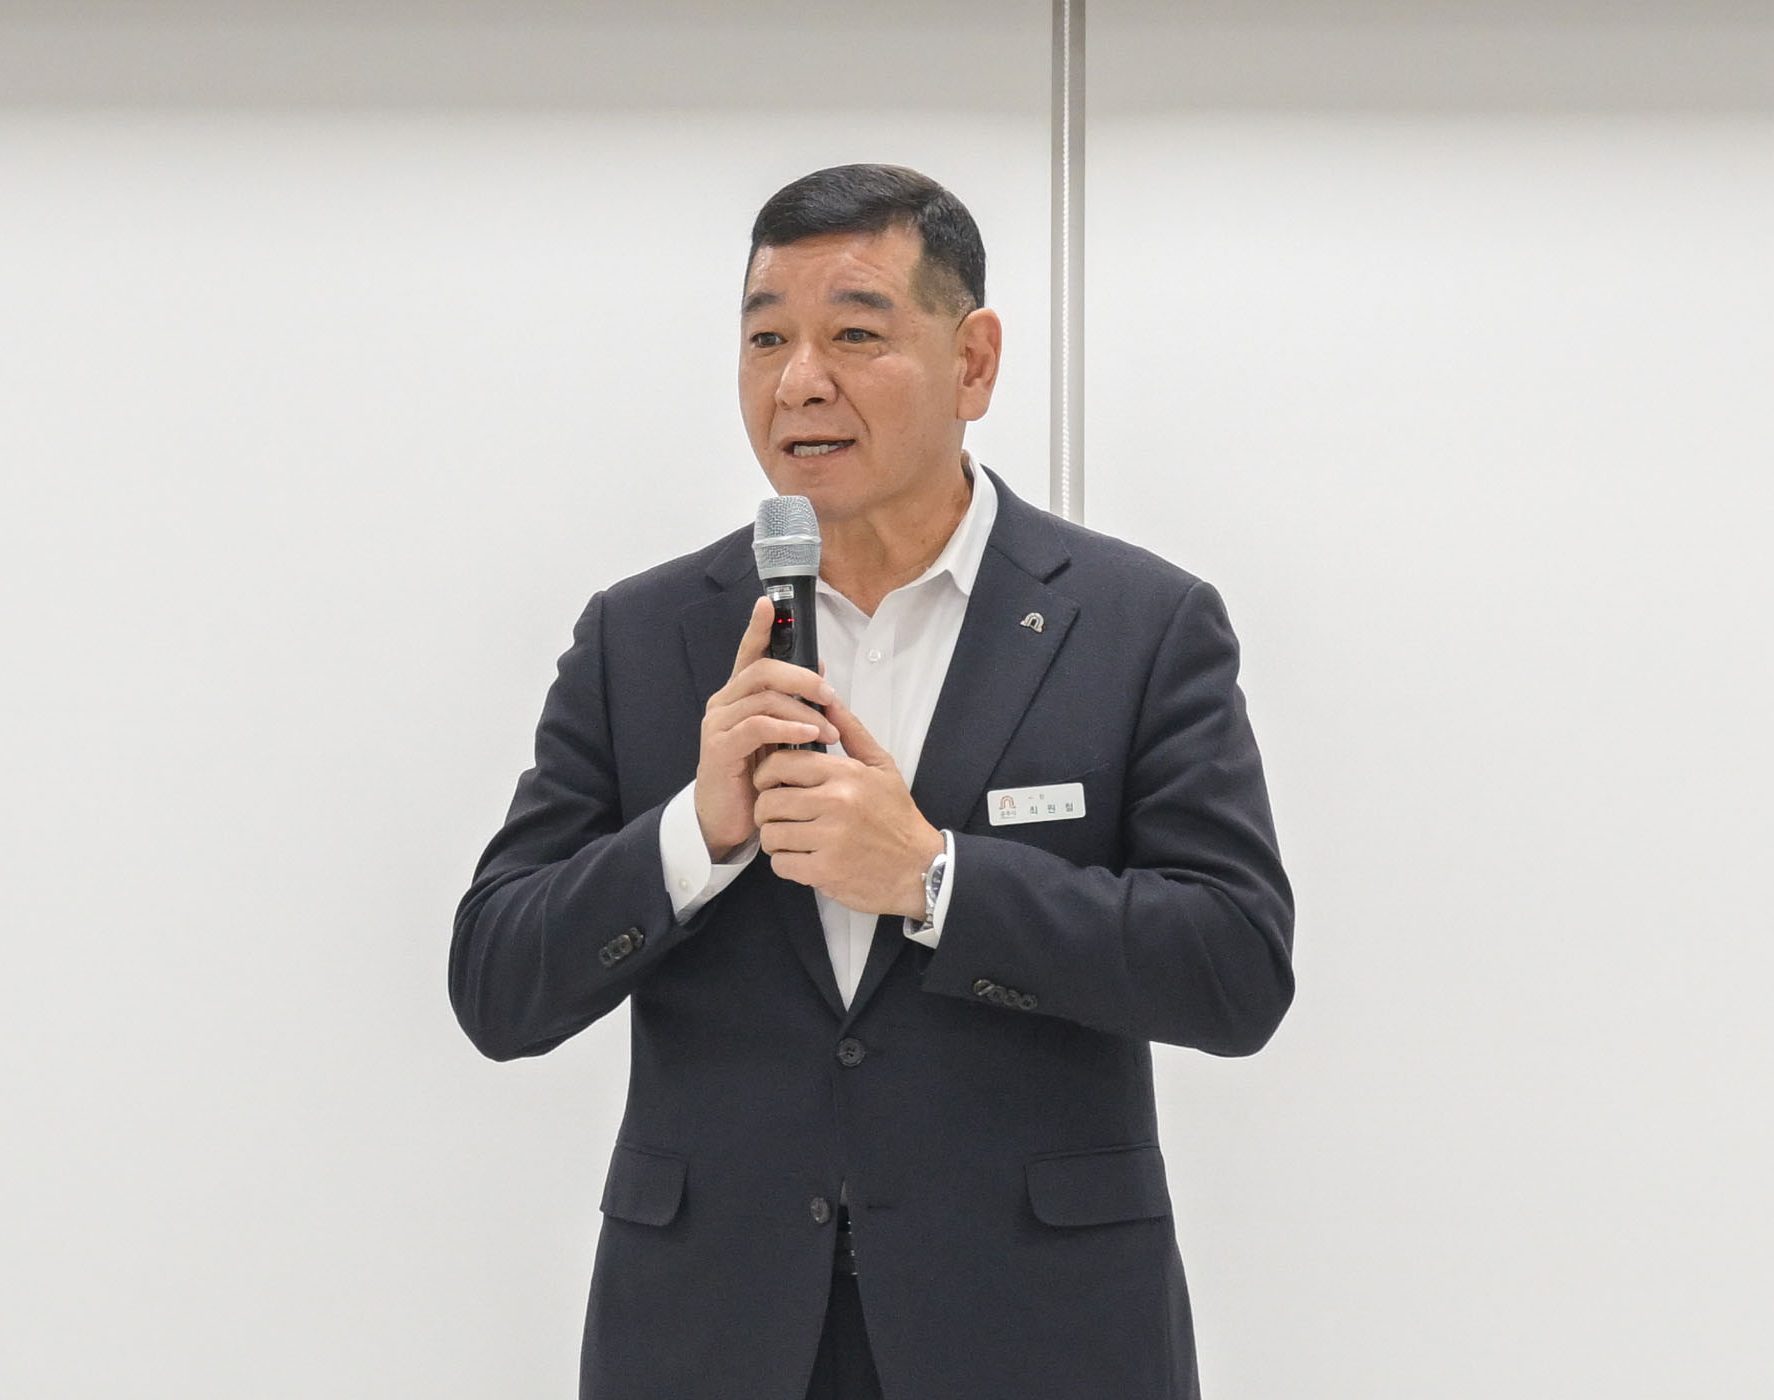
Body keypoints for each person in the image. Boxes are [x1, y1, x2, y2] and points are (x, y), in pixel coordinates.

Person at [450, 163, 1294, 1400]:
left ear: (973, 362)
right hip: (709, 1336)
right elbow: (495, 983)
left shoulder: (1136, 624)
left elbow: (1233, 967)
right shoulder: (643, 636)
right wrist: (694, 835)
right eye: (765, 339)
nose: (799, 381)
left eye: (854, 333)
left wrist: (936, 879)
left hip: (1036, 1334)